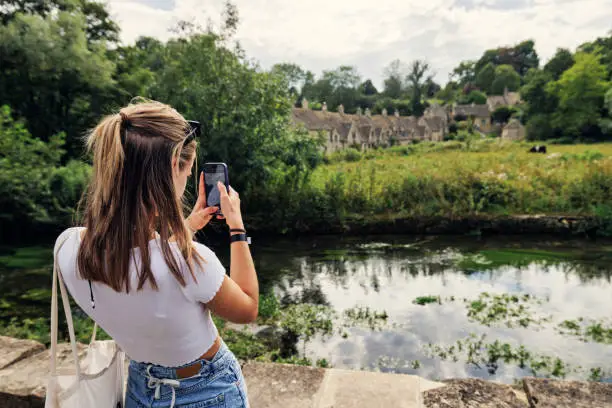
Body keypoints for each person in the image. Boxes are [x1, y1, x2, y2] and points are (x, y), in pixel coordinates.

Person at [54, 100, 258, 408]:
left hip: (141, 389)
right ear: (176, 161)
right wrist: (237, 227)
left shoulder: (68, 247)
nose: (188, 177)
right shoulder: (190, 262)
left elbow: (147, 267)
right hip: (209, 391)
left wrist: (188, 225)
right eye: (189, 169)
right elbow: (247, 308)